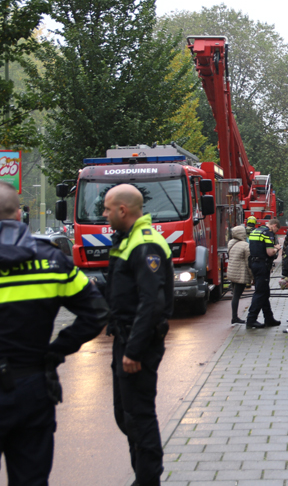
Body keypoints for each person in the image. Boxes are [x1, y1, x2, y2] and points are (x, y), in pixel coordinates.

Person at [0, 181, 108, 486]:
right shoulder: (52, 261)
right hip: (33, 385)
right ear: (20, 215)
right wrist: (56, 350)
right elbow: (97, 312)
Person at [103, 184, 173, 486]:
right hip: (126, 340)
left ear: (122, 210)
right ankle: (143, 475)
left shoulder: (145, 245)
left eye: (106, 209)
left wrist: (133, 350)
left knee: (139, 416)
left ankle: (148, 479)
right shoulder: (129, 240)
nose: (104, 215)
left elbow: (151, 303)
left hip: (138, 346)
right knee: (126, 415)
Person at [246, 218, 281, 329]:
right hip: (262, 265)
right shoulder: (267, 233)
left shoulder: (254, 231)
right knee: (260, 292)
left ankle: (269, 318)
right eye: (276, 231)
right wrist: (277, 249)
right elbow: (270, 253)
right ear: (274, 226)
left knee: (264, 291)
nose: (274, 233)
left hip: (254, 264)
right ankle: (251, 319)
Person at [227, 224, 252, 325]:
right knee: (237, 295)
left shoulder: (231, 243)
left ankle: (234, 316)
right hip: (240, 273)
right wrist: (252, 275)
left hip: (232, 271)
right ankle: (234, 317)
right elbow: (248, 262)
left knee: (235, 295)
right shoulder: (245, 245)